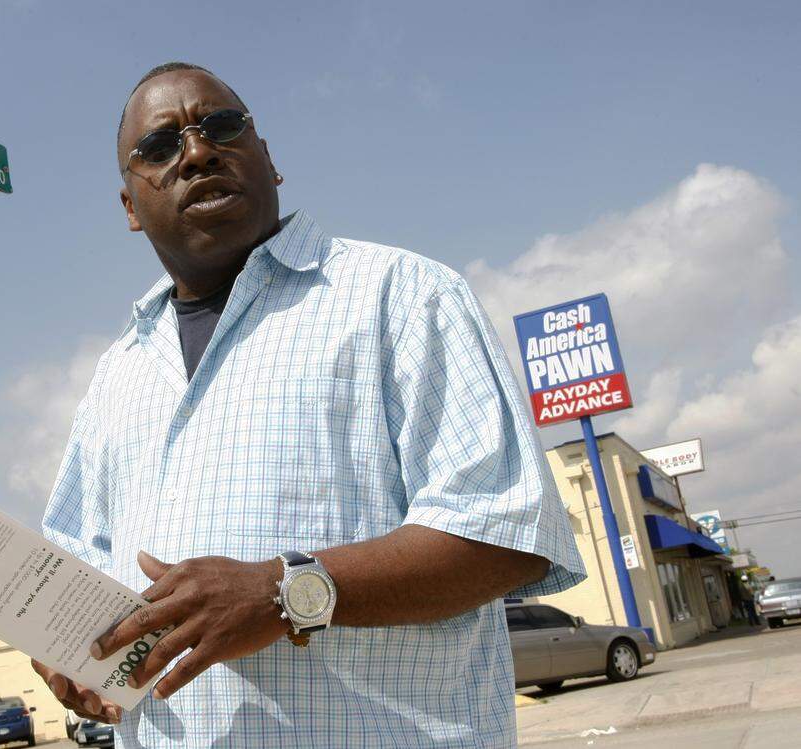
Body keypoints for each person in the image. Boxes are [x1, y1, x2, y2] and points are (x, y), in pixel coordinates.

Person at [32, 62, 586, 748]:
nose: (198, 152)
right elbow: (77, 572)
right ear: (127, 204)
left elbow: (506, 537)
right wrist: (74, 654)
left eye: (222, 127)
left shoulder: (403, 296)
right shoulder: (117, 373)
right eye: (160, 146)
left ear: (267, 158)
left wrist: (284, 590)